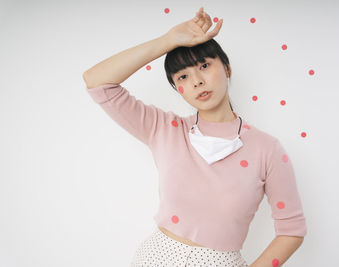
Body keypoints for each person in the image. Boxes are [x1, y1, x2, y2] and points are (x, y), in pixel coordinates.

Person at [83, 6, 307, 267]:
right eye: (183, 76)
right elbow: (97, 82)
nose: (197, 81)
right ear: (178, 89)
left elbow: (292, 229)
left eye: (204, 66)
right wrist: (167, 41)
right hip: (154, 258)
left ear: (227, 68)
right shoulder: (164, 128)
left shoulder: (267, 149)